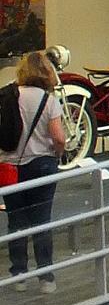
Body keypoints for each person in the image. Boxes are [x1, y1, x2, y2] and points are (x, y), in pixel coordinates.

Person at [4, 48, 65, 290]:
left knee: (15, 221)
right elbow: (58, 137)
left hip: (10, 166)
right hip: (42, 165)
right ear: (46, 72)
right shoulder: (48, 101)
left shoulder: (8, 97)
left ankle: (19, 275)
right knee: (41, 220)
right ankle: (46, 277)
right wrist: (58, 154)